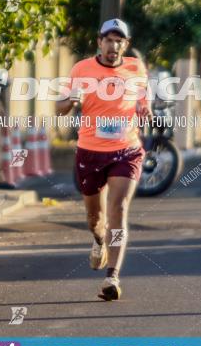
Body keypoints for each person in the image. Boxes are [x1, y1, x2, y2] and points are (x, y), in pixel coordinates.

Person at [57, 19, 150, 301]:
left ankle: (113, 275)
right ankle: (99, 241)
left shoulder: (136, 68)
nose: (113, 45)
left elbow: (144, 103)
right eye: (108, 40)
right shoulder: (81, 69)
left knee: (118, 209)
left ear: (126, 44)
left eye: (119, 40)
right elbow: (60, 109)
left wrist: (145, 111)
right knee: (95, 219)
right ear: (99, 42)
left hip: (126, 149)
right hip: (90, 150)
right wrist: (73, 99)